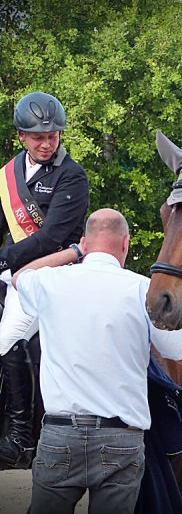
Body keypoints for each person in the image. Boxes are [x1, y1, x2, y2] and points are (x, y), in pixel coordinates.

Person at [12, 208, 182, 513]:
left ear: (85, 241)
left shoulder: (50, 282)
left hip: (61, 433)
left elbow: (19, 277)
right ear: (125, 243)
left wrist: (73, 252)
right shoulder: (142, 290)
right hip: (120, 438)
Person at [0, 91, 90, 469]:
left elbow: (52, 237)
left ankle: (21, 437)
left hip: (53, 272)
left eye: (52, 136)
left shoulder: (72, 175)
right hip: (12, 272)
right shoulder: (8, 175)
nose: (46, 143)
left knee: (7, 339)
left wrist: (3, 259)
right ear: (22, 136)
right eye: (38, 137)